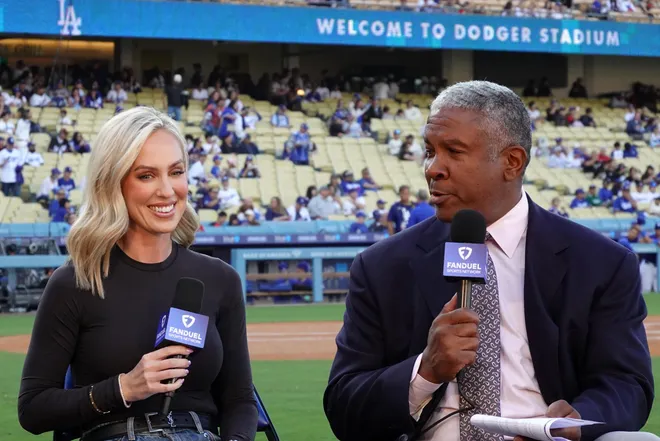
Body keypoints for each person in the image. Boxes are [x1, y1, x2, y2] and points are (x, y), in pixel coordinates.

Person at [323, 81, 656, 441]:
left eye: (453, 151)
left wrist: (576, 422)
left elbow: (626, 383)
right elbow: (344, 405)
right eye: (430, 151)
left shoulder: (601, 263)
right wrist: (425, 371)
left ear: (512, 162)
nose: (433, 168)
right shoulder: (381, 267)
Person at [18, 107, 258, 441]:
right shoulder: (75, 283)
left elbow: (241, 401)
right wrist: (124, 388)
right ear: (113, 183)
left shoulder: (220, 279)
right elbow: (33, 409)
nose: (167, 190)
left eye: (176, 172)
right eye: (146, 175)